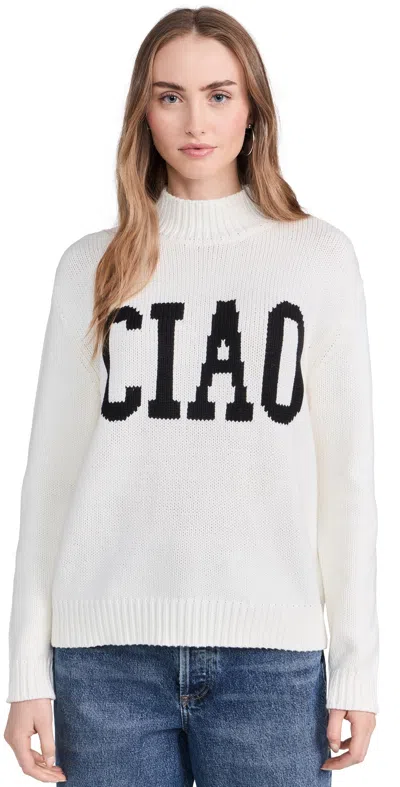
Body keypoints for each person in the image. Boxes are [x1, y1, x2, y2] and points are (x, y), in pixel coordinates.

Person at [4, 6, 379, 786]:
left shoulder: (317, 258)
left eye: (218, 95)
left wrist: (357, 667)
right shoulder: (91, 266)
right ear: (143, 112)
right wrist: (26, 672)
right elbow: (51, 479)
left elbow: (346, 479)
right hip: (103, 664)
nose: (195, 122)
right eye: (169, 96)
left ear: (253, 109)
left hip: (272, 665)